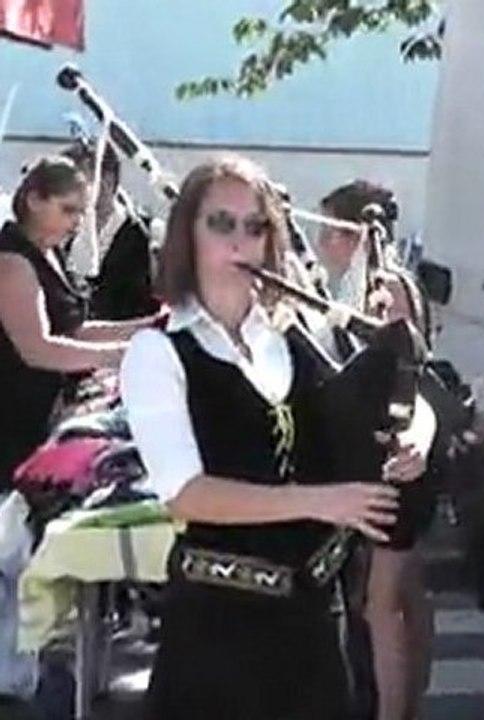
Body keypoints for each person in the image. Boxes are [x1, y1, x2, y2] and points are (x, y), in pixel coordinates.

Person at [119, 156, 430, 720]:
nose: (241, 240)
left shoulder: (295, 339)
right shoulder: (158, 351)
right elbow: (186, 494)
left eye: (255, 226)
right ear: (188, 233)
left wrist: (409, 445)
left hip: (312, 623)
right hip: (217, 631)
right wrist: (321, 501)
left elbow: (399, 405)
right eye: (221, 223)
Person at [0, 156, 153, 711]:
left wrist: (148, 330)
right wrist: (126, 352)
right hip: (11, 423)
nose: (75, 222)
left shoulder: (43, 255)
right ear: (35, 199)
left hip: (38, 421)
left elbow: (74, 327)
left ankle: (30, 672)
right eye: (68, 210)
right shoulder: (12, 262)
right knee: (12, 555)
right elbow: (37, 347)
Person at [312, 180, 435, 720]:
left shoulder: (385, 288)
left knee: (382, 604)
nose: (321, 242)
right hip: (391, 453)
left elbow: (409, 372)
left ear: (350, 232)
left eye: (328, 230)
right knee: (402, 594)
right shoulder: (370, 282)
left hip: (400, 456)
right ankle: (407, 703)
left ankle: (393, 712)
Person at [60, 140, 162, 320]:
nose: (65, 193)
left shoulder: (148, 235)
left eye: (76, 183)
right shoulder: (60, 236)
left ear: (106, 181)